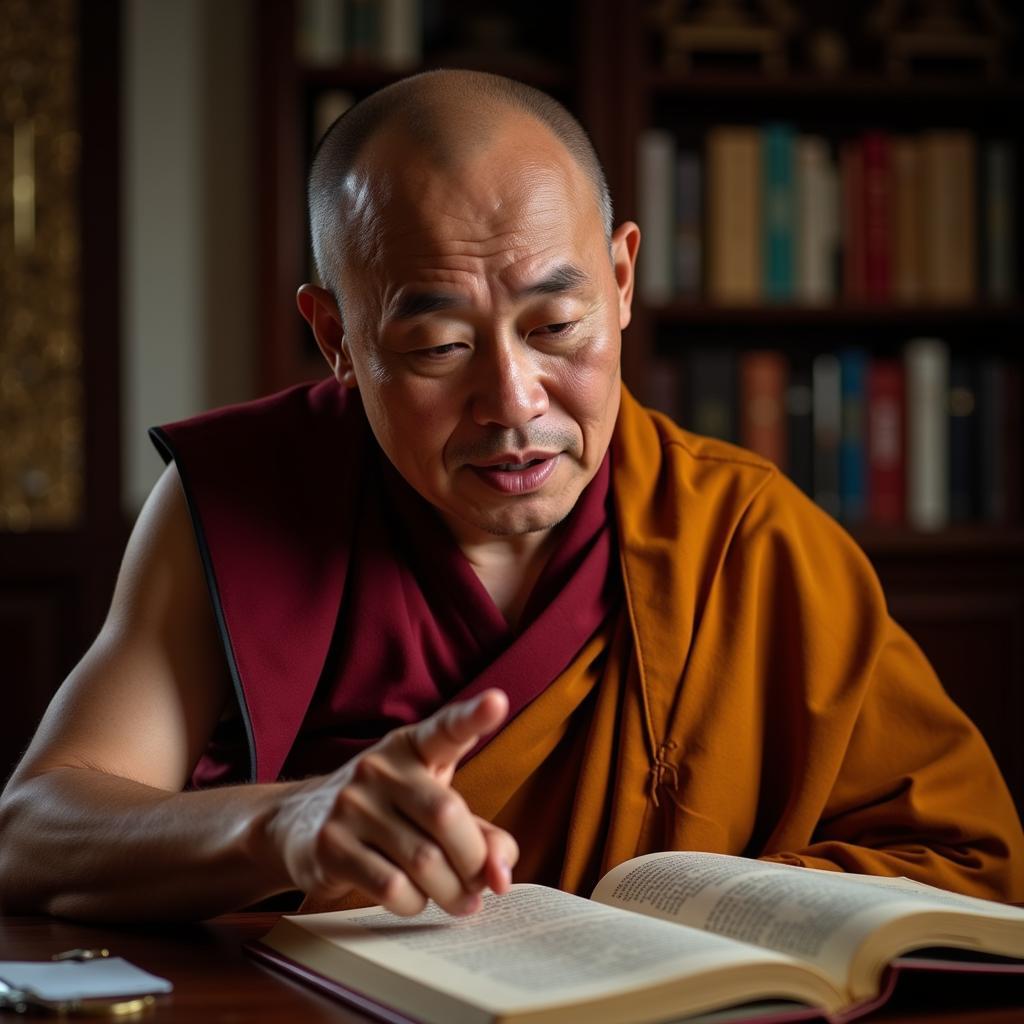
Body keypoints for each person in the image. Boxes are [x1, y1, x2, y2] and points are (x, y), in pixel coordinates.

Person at [1, 70, 1021, 925]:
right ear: (336, 339)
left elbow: (971, 865)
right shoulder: (239, 502)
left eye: (557, 326)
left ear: (622, 279)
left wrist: (707, 915)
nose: (512, 400)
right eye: (437, 346)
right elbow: (36, 827)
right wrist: (291, 822)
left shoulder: (745, 539)